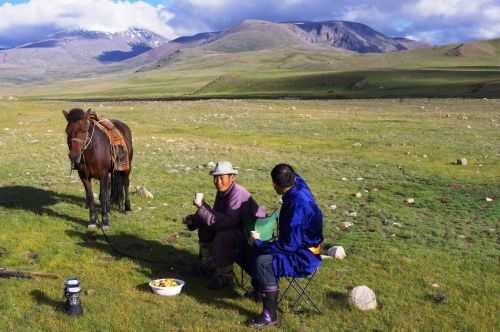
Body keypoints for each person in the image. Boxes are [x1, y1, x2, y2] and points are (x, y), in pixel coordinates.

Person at [246, 163, 323, 328]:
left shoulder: (296, 205)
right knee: (257, 252)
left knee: (263, 261)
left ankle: (269, 315)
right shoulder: (298, 184)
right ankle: (260, 290)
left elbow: (289, 245)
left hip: (304, 256)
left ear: (274, 184)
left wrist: (260, 243)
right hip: (303, 245)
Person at [183, 161, 266, 289]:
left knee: (223, 236)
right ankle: (208, 265)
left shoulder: (237, 193)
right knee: (205, 228)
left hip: (252, 234)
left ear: (232, 178)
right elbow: (217, 216)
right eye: (215, 177)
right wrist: (195, 219)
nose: (218, 181)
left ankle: (225, 276)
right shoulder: (223, 192)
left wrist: (202, 208)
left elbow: (225, 222)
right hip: (237, 227)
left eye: (221, 177)